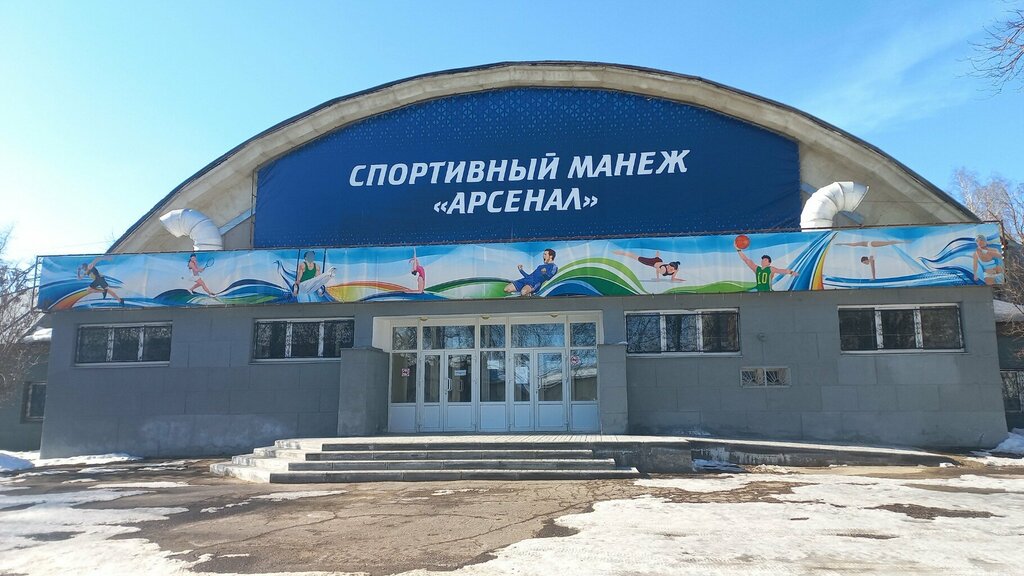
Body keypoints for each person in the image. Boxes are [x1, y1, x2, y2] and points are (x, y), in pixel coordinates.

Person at [834, 240, 906, 280]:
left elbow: (873, 268)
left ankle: (903, 242)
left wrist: (874, 278)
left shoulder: (871, 258)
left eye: (864, 262)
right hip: (869, 244)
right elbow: (873, 267)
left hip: (872, 244)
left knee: (888, 243)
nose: (865, 264)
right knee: (854, 244)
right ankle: (841, 243)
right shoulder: (871, 258)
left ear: (866, 260)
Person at [612, 249, 684, 282]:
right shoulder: (663, 270)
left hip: (659, 261)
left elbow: (673, 278)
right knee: (635, 257)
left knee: (657, 257)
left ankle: (657, 252)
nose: (669, 270)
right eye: (669, 267)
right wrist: (658, 278)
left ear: (675, 269)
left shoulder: (676, 269)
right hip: (651, 262)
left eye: (671, 269)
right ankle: (621, 252)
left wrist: (680, 279)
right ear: (668, 265)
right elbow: (657, 270)